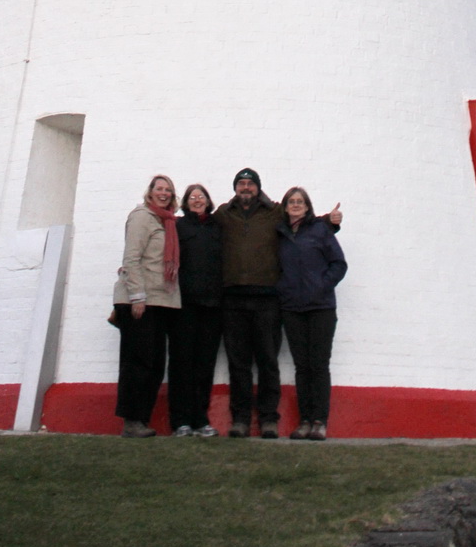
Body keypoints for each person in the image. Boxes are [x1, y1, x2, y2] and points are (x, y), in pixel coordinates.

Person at [215, 168, 341, 439]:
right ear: (235, 188)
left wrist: (329, 222)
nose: (246, 187)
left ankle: (269, 420)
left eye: (250, 184)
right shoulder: (224, 214)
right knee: (238, 364)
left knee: (268, 361)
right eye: (241, 184)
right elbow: (199, 223)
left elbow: (302, 219)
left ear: (258, 188)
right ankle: (240, 420)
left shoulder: (274, 212)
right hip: (234, 298)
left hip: (267, 299)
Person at [113, 174, 180, 437]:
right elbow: (132, 258)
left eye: (168, 190)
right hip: (140, 301)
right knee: (137, 362)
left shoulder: (167, 222)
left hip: (160, 301)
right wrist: (137, 296)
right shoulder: (142, 217)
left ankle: (141, 419)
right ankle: (132, 420)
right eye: (159, 188)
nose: (164, 193)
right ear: (150, 192)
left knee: (154, 364)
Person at [278, 186, 347, 441]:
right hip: (292, 308)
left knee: (318, 365)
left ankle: (320, 420)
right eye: (291, 202)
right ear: (285, 207)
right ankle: (304, 419)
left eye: (300, 201)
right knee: (301, 366)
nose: (296, 205)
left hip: (321, 308)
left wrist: (322, 286)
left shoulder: (320, 230)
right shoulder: (280, 234)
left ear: (307, 207)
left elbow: (339, 264)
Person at [167, 183, 223, 437]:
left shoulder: (217, 227)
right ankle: (181, 421)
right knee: (181, 363)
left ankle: (201, 418)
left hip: (212, 306)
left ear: (208, 201)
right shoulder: (178, 226)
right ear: (186, 202)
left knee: (204, 364)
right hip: (183, 306)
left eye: (201, 196)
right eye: (192, 197)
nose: (197, 200)